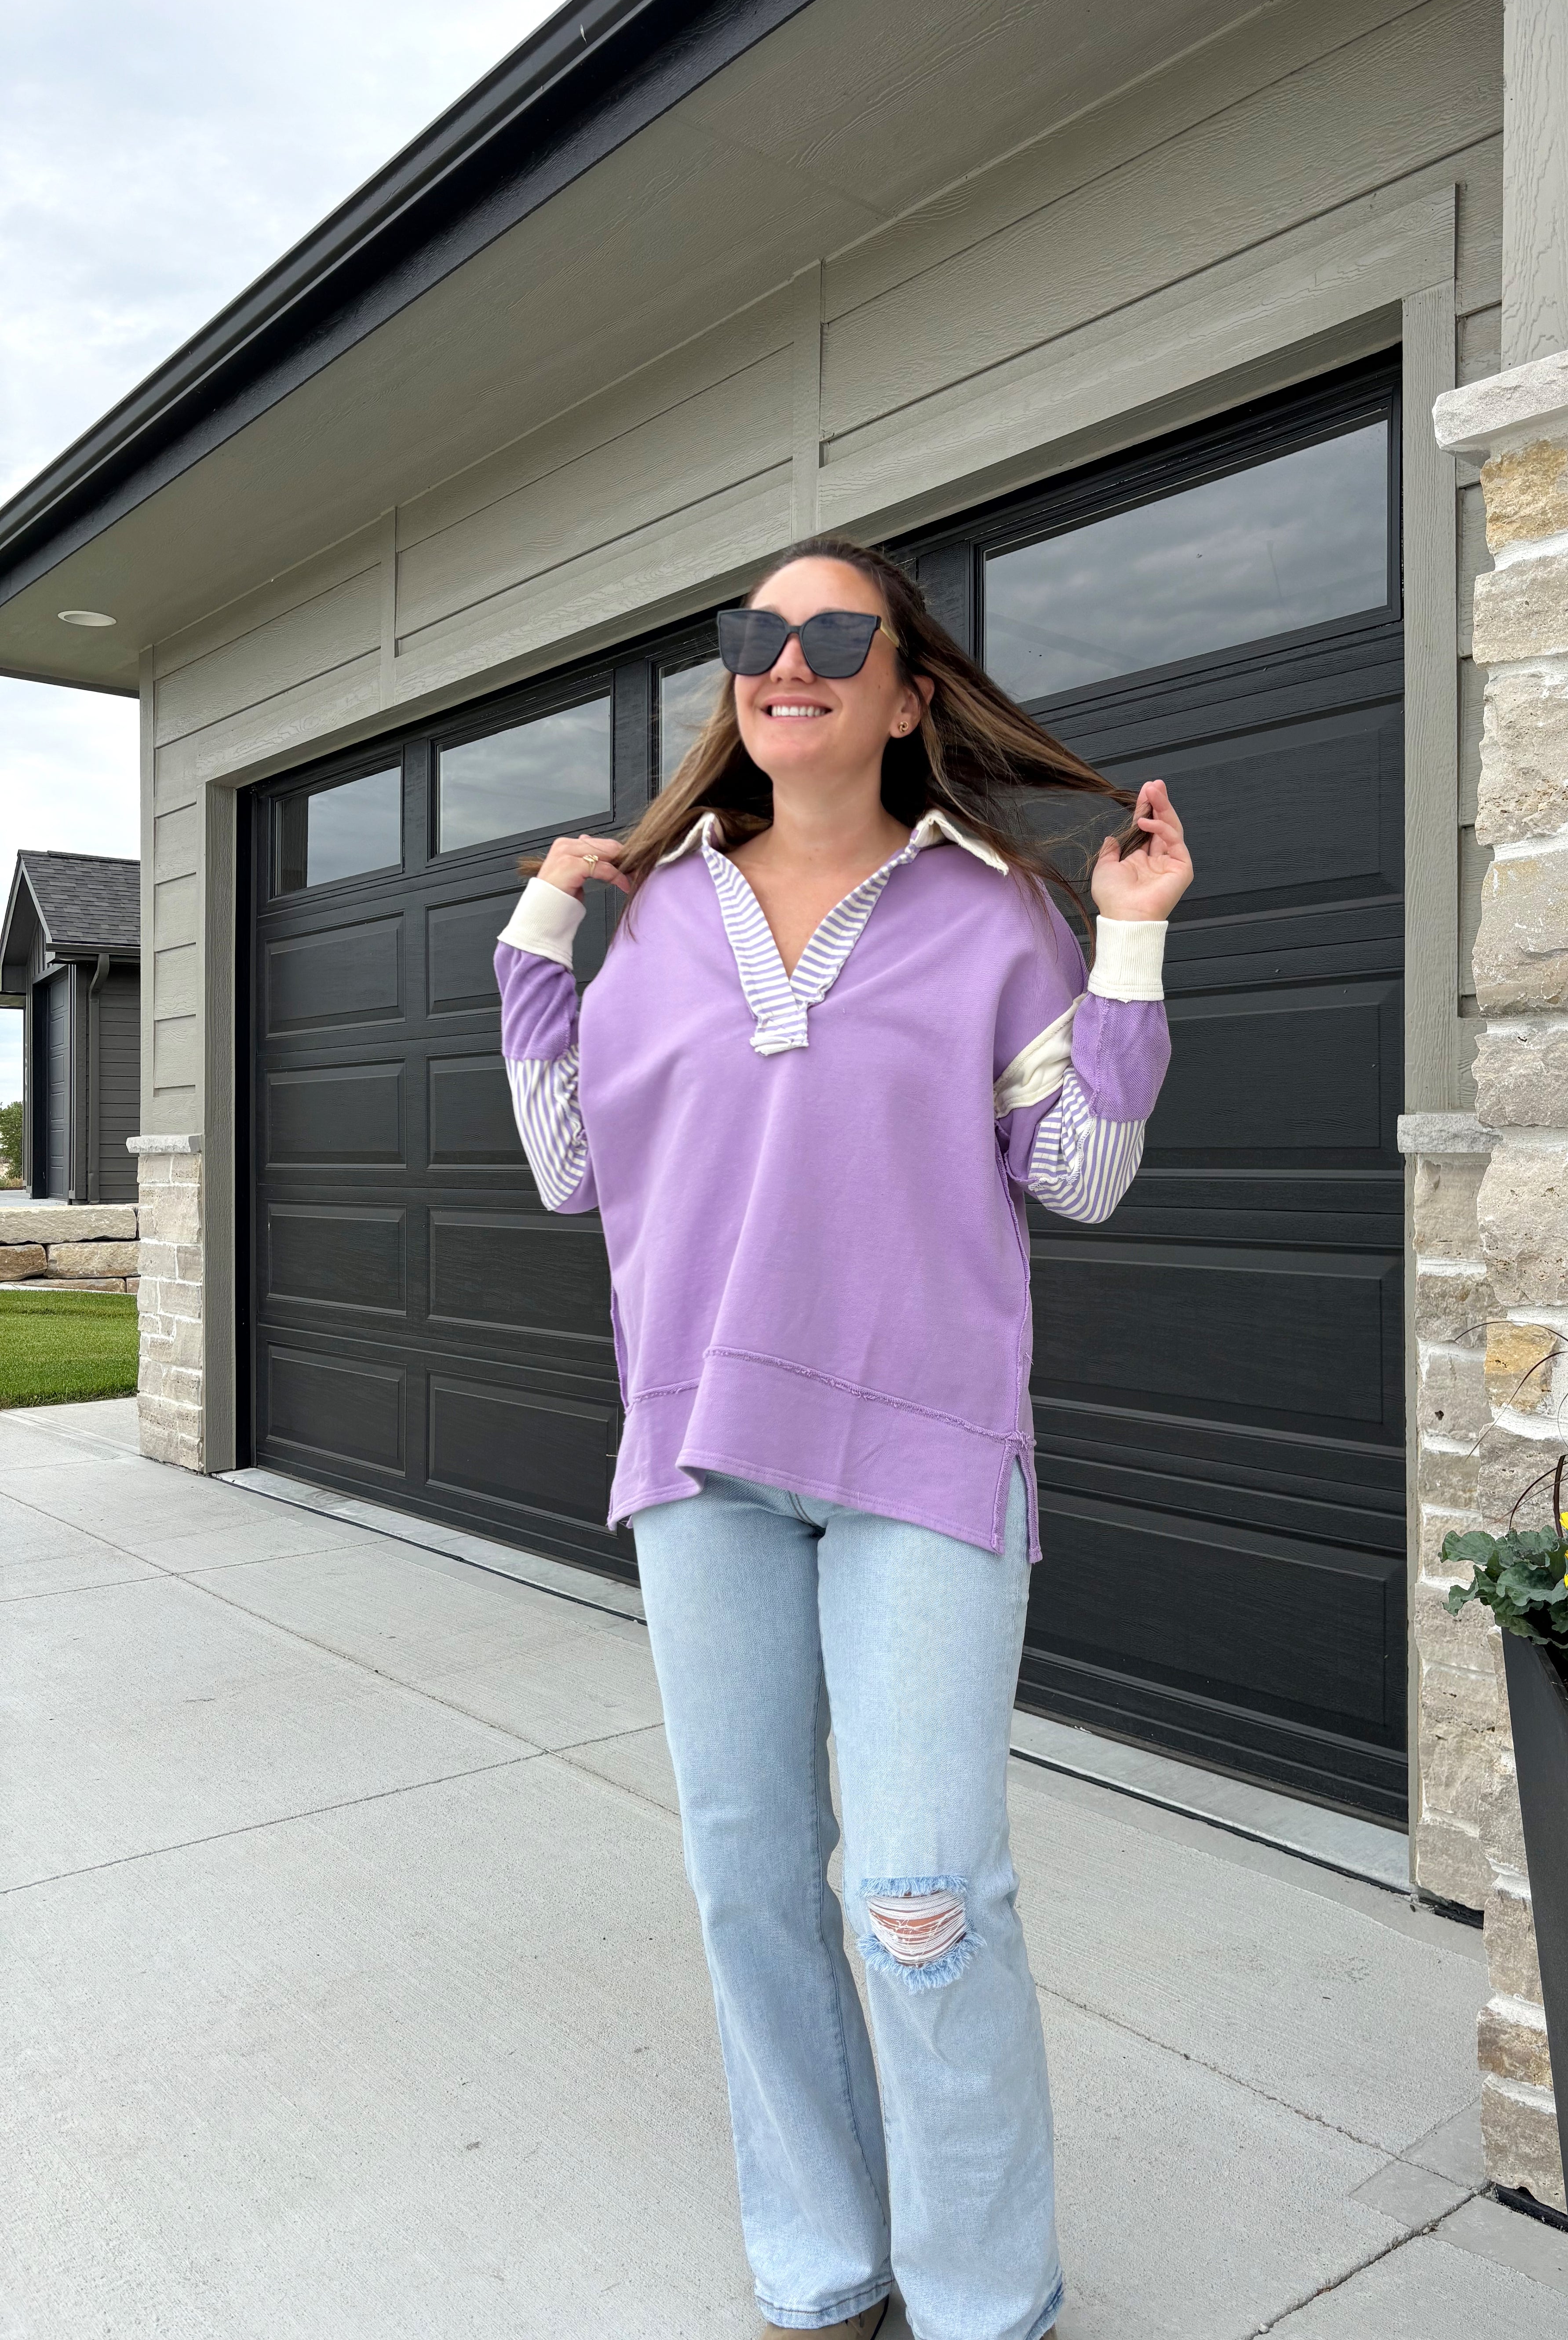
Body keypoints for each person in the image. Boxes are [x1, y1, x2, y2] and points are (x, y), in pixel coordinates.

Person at [494, 536, 1189, 2340]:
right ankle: (821, 2269)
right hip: (703, 1455)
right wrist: (536, 937)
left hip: (927, 1455)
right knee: (747, 1882)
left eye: (831, 634)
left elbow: (1081, 1176)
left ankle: (983, 2301)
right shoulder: (653, 920)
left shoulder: (991, 915)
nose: (783, 658)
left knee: (921, 1892)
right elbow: (572, 1165)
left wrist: (1128, 943)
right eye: (754, 632)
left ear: (905, 691)